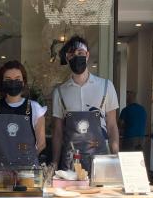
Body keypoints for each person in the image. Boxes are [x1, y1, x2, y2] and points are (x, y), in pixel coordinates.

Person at [51, 35, 119, 173]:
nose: (76, 57)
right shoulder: (59, 92)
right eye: (72, 54)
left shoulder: (106, 86)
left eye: (80, 53)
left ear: (87, 55)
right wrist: (55, 163)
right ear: (67, 58)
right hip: (70, 165)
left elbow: (112, 126)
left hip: (100, 162)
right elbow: (57, 132)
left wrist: (116, 158)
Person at [0, 60, 46, 167]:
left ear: (23, 82)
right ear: (1, 82)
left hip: (28, 172)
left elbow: (41, 143)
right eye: (8, 80)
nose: (13, 82)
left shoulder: (35, 108)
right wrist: (1, 159)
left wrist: (26, 160)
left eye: (17, 79)